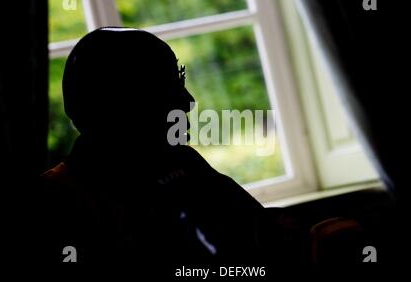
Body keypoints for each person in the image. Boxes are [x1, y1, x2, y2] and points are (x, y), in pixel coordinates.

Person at [38, 27, 266, 269]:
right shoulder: (57, 204)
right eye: (166, 86)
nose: (188, 101)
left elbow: (261, 232)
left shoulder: (183, 162)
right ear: (118, 104)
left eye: (180, 80)